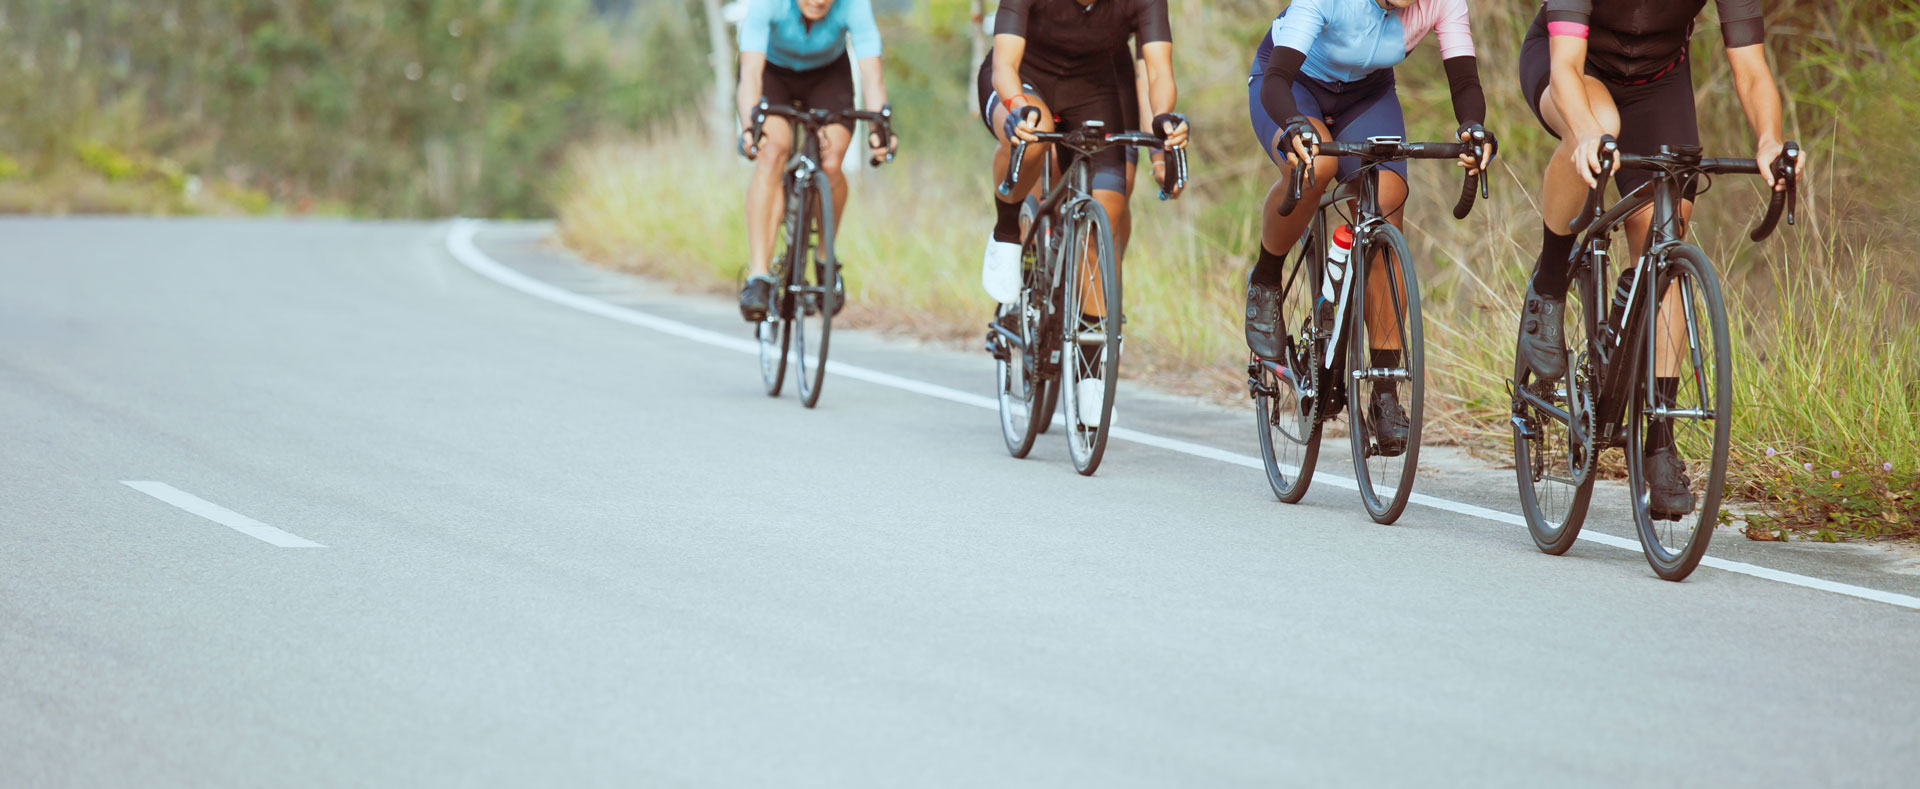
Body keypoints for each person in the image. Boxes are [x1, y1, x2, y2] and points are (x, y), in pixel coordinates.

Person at [1514, 0, 1793, 517]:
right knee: (1598, 124)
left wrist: (1769, 139)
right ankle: (1549, 284)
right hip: (1575, 69)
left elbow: (1751, 70)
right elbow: (1567, 66)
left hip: (1660, 81)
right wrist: (1586, 133)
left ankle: (1660, 439)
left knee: (1667, 238)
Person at [1244, 0, 1495, 456]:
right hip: (1290, 85)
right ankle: (1265, 279)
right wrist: (1295, 124)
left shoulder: (1442, 2)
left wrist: (1473, 129)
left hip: (1367, 96)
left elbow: (1464, 81)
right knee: (1315, 167)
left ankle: (1384, 389)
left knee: (1387, 202)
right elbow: (1278, 78)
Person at [978, 0, 1188, 426]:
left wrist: (1164, 123)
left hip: (1100, 87)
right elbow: (1004, 64)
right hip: (1025, 78)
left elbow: (1158, 70)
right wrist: (1017, 104)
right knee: (1032, 140)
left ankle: (1091, 360)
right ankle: (1006, 230)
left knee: (1108, 210)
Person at [736, 0, 899, 321]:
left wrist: (881, 126)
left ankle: (825, 258)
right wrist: (748, 127)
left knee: (831, 161)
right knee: (773, 150)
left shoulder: (855, 5)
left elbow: (872, 75)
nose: (819, 1)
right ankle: (758, 276)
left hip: (828, 77)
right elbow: (750, 75)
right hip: (773, 74)